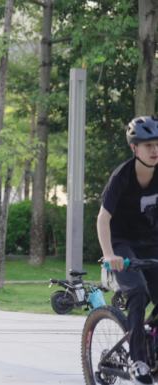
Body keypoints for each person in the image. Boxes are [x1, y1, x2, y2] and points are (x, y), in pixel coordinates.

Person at [98, 116, 158, 385]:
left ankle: (150, 345)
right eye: (147, 145)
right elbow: (103, 219)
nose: (154, 150)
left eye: (157, 144)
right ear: (135, 148)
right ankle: (138, 360)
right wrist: (110, 255)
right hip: (122, 244)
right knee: (138, 291)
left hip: (151, 242)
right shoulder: (122, 176)